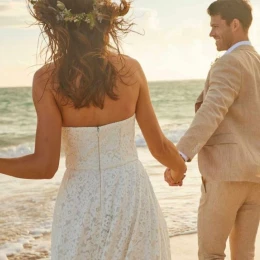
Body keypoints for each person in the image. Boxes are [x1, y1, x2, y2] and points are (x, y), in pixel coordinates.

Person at [0, 0, 186, 259]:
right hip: (130, 195)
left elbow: (44, 166)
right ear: (104, 23)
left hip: (79, 201)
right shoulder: (130, 70)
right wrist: (179, 168)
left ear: (57, 27)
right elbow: (160, 147)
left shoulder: (47, 80)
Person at [164, 0, 260, 259]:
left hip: (226, 175)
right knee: (245, 255)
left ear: (235, 25)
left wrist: (179, 156)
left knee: (211, 254)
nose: (211, 33)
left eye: (216, 26)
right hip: (255, 178)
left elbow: (211, 111)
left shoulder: (230, 63)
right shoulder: (257, 62)